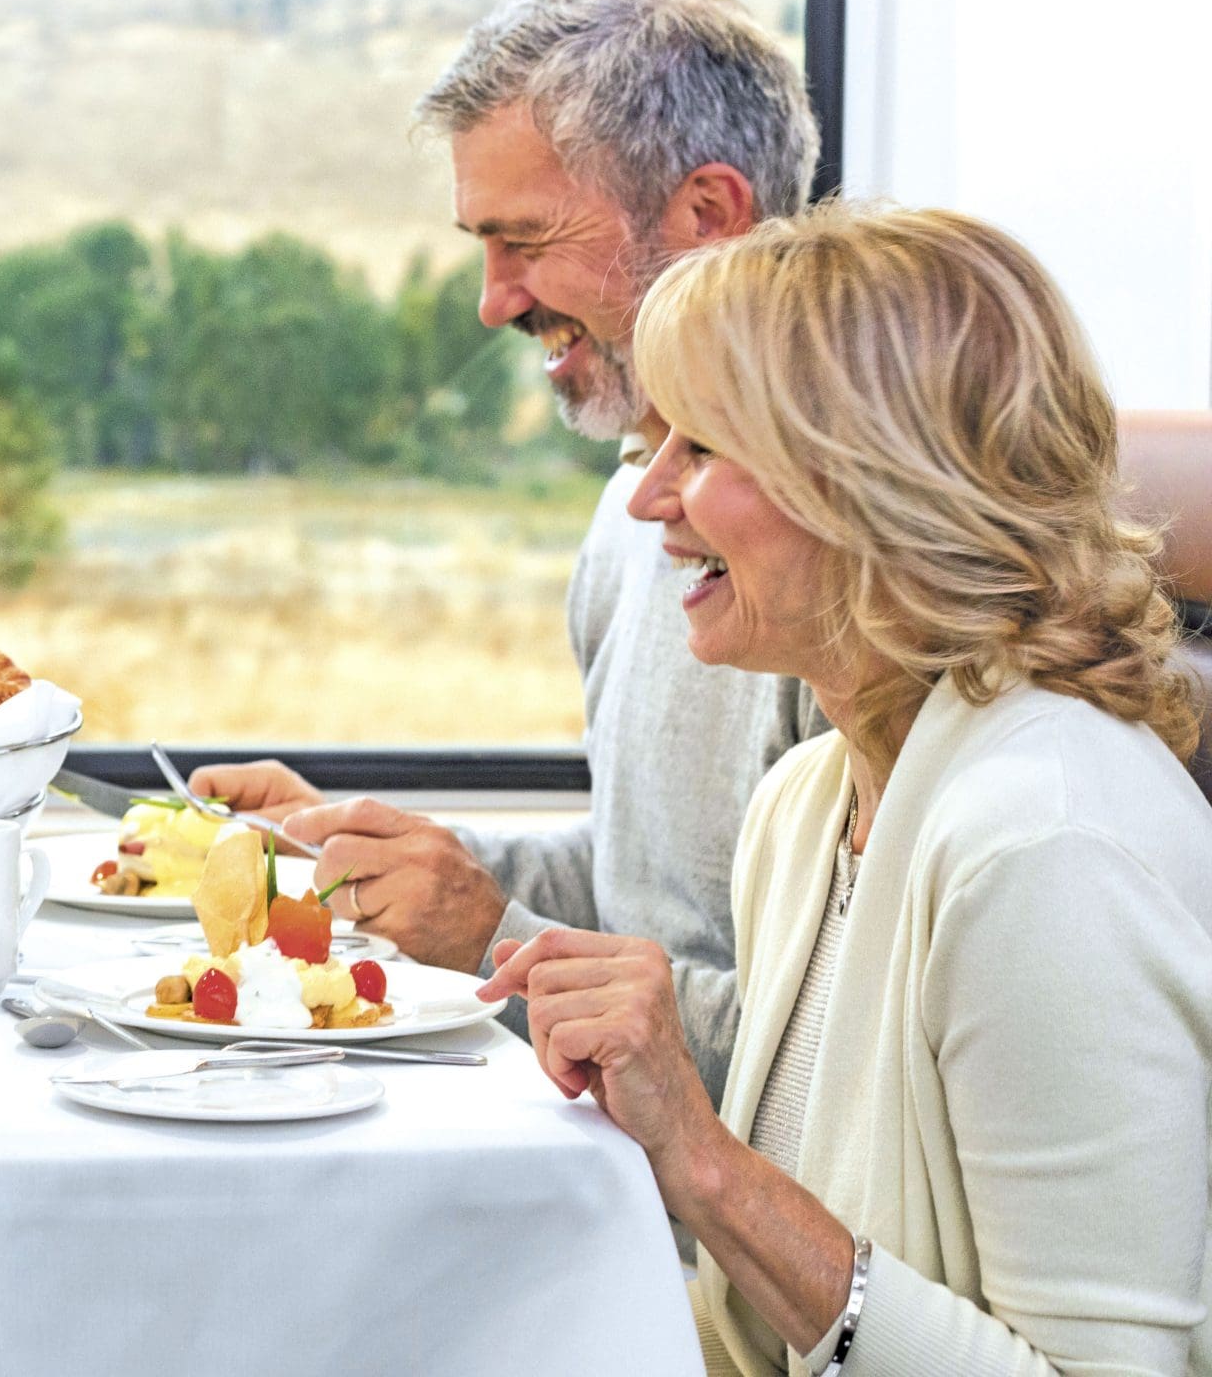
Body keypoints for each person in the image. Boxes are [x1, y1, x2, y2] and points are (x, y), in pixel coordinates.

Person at [481, 204, 1212, 1373]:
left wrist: (703, 1163)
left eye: (698, 449)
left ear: (870, 489)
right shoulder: (805, 806)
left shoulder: (1042, 846)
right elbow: (767, 1339)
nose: (646, 498)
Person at [196, 0, 824, 1099]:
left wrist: (495, 938)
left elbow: (830, 1059)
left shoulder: (833, 563)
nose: (492, 302)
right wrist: (388, 866)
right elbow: (643, 885)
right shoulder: (632, 506)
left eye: (523, 239)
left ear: (707, 216)